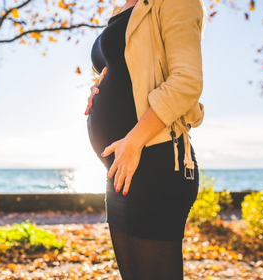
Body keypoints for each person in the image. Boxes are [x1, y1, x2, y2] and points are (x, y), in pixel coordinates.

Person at [85, 0, 207, 279]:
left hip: (156, 160)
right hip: (120, 169)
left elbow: (186, 81)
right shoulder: (122, 9)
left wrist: (133, 141)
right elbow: (128, 71)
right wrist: (98, 87)